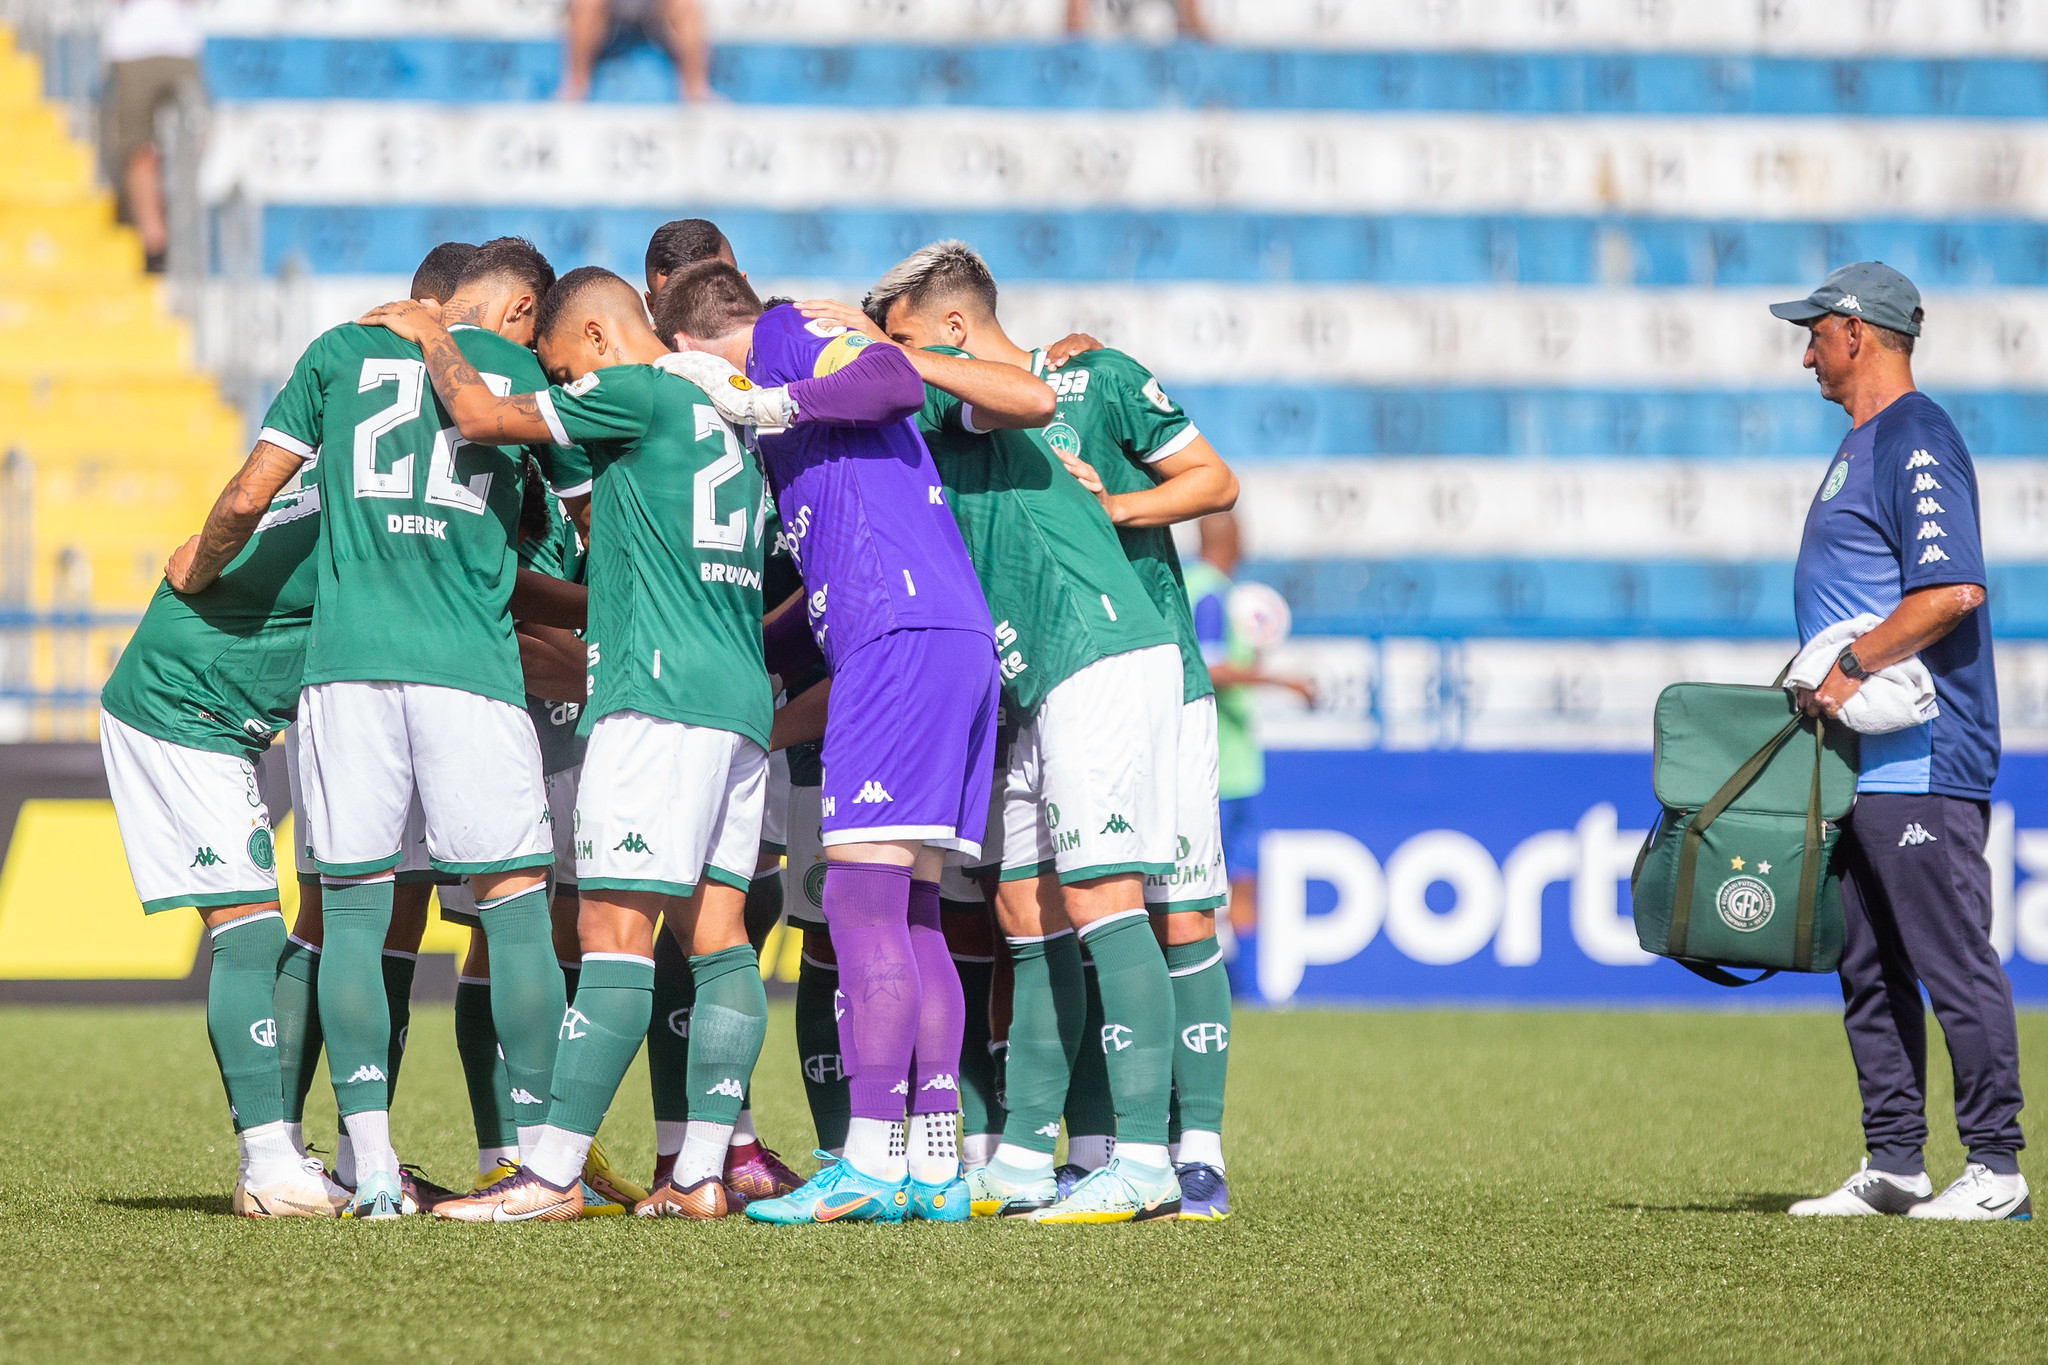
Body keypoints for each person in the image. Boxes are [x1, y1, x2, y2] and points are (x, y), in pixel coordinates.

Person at [359, 268, 779, 1222]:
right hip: (738, 698)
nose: (560, 383)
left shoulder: (632, 387)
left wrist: (432, 336)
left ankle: (547, 1173)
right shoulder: (730, 417)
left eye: (557, 365)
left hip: (657, 697)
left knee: (610, 935)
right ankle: (703, 1171)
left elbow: (480, 418)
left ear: (594, 338)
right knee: (718, 940)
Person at [167, 239, 571, 1220]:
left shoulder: (337, 352)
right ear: (518, 310)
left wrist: (196, 570)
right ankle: (538, 1162)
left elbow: (253, 494)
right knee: (515, 910)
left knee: (348, 914)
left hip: (345, 672)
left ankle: (372, 1168)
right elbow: (582, 525)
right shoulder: (521, 374)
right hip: (470, 670)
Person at [653, 260, 1045, 1226]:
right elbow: (818, 589)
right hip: (942, 640)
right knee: (913, 912)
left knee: (860, 902)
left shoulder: (781, 337)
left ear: (690, 347)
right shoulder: (792, 426)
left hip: (900, 642)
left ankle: (868, 1159)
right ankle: (934, 1161)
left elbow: (898, 380)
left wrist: (765, 398)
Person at [862, 241, 1189, 1225]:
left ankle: (1144, 1161)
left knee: (1100, 894)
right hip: (1032, 674)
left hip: (1092, 650)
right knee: (1023, 908)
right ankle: (1016, 1159)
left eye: (906, 339)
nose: (893, 361)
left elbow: (1027, 395)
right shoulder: (959, 394)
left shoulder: (993, 388)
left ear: (950, 330)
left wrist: (891, 357)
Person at [1769, 262, 2028, 1222]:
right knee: (1868, 963)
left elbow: (1952, 588)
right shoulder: (1865, 442)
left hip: (1922, 754)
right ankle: (1895, 1162)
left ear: (1857, 332)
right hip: (1860, 763)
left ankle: (1997, 1167)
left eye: (1815, 333)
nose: (1806, 353)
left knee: (1950, 956)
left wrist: (1851, 667)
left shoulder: (1915, 436)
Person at [1021, 306, 1242, 1219]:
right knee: (1074, 912)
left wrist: (1115, 505)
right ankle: (1098, 1146)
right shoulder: (951, 412)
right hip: (1052, 683)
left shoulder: (1092, 378)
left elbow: (1214, 479)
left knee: (1179, 915)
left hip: (1161, 677)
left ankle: (1200, 1154)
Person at [101, 471, 344, 1217]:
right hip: (183, 702)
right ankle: (268, 1167)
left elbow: (241, 513)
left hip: (209, 702)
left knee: (274, 927)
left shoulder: (345, 470)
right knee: (249, 933)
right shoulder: (380, 501)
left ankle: (278, 1157)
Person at [1183, 512, 1314, 993]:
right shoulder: (1213, 593)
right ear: (1234, 539)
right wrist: (1284, 681)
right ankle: (1232, 988)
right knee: (1221, 881)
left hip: (1228, 762)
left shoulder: (1195, 587)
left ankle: (1241, 987)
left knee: (1234, 877)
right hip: (1218, 763)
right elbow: (1211, 669)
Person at [99, 0, 203, 271]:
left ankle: (164, 237)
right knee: (139, 150)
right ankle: (155, 241)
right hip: (133, 47)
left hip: (175, 45)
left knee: (187, 147)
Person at [562, 0, 712, 103]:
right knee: (585, 4)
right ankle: (576, 86)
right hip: (611, 10)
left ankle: (695, 89)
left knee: (684, 5)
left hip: (656, 10)